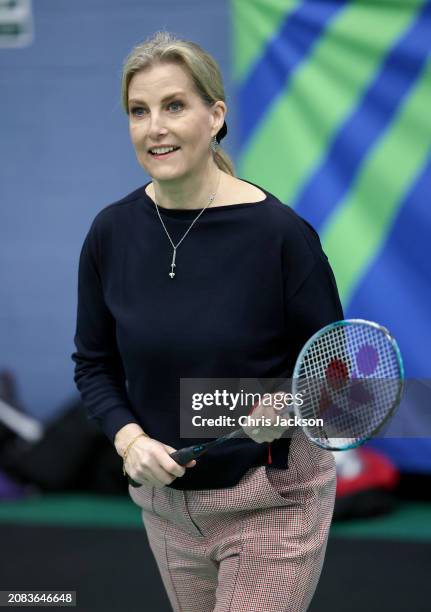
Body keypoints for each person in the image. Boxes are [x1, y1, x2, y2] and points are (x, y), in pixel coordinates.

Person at [72, 30, 344, 612]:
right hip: (166, 509)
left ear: (215, 115)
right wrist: (130, 439)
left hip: (272, 502)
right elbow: (94, 364)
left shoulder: (281, 237)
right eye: (138, 111)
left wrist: (289, 405)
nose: (155, 128)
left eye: (174, 105)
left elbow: (336, 373)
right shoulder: (111, 233)